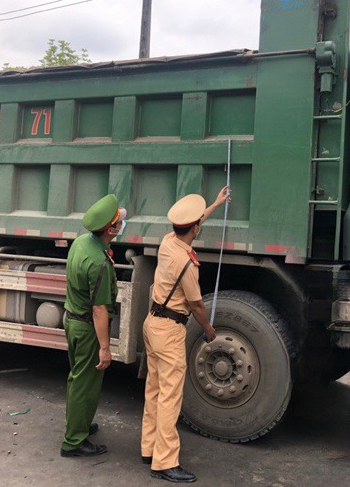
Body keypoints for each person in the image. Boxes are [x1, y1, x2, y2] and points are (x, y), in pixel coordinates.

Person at [142, 187, 230, 483]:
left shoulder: (168, 242)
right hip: (169, 332)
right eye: (197, 225)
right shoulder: (186, 264)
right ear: (193, 229)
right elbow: (196, 305)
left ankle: (149, 447)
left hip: (152, 323)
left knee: (154, 389)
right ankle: (164, 462)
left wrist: (216, 204)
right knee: (170, 396)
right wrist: (208, 329)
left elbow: (193, 222)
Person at [60, 194, 126, 458]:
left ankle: (81, 424)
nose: (122, 221)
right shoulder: (99, 264)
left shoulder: (81, 243)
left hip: (73, 321)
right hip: (87, 328)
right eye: (118, 220)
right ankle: (73, 442)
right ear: (110, 229)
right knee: (84, 382)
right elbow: (99, 309)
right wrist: (105, 347)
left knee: (79, 378)